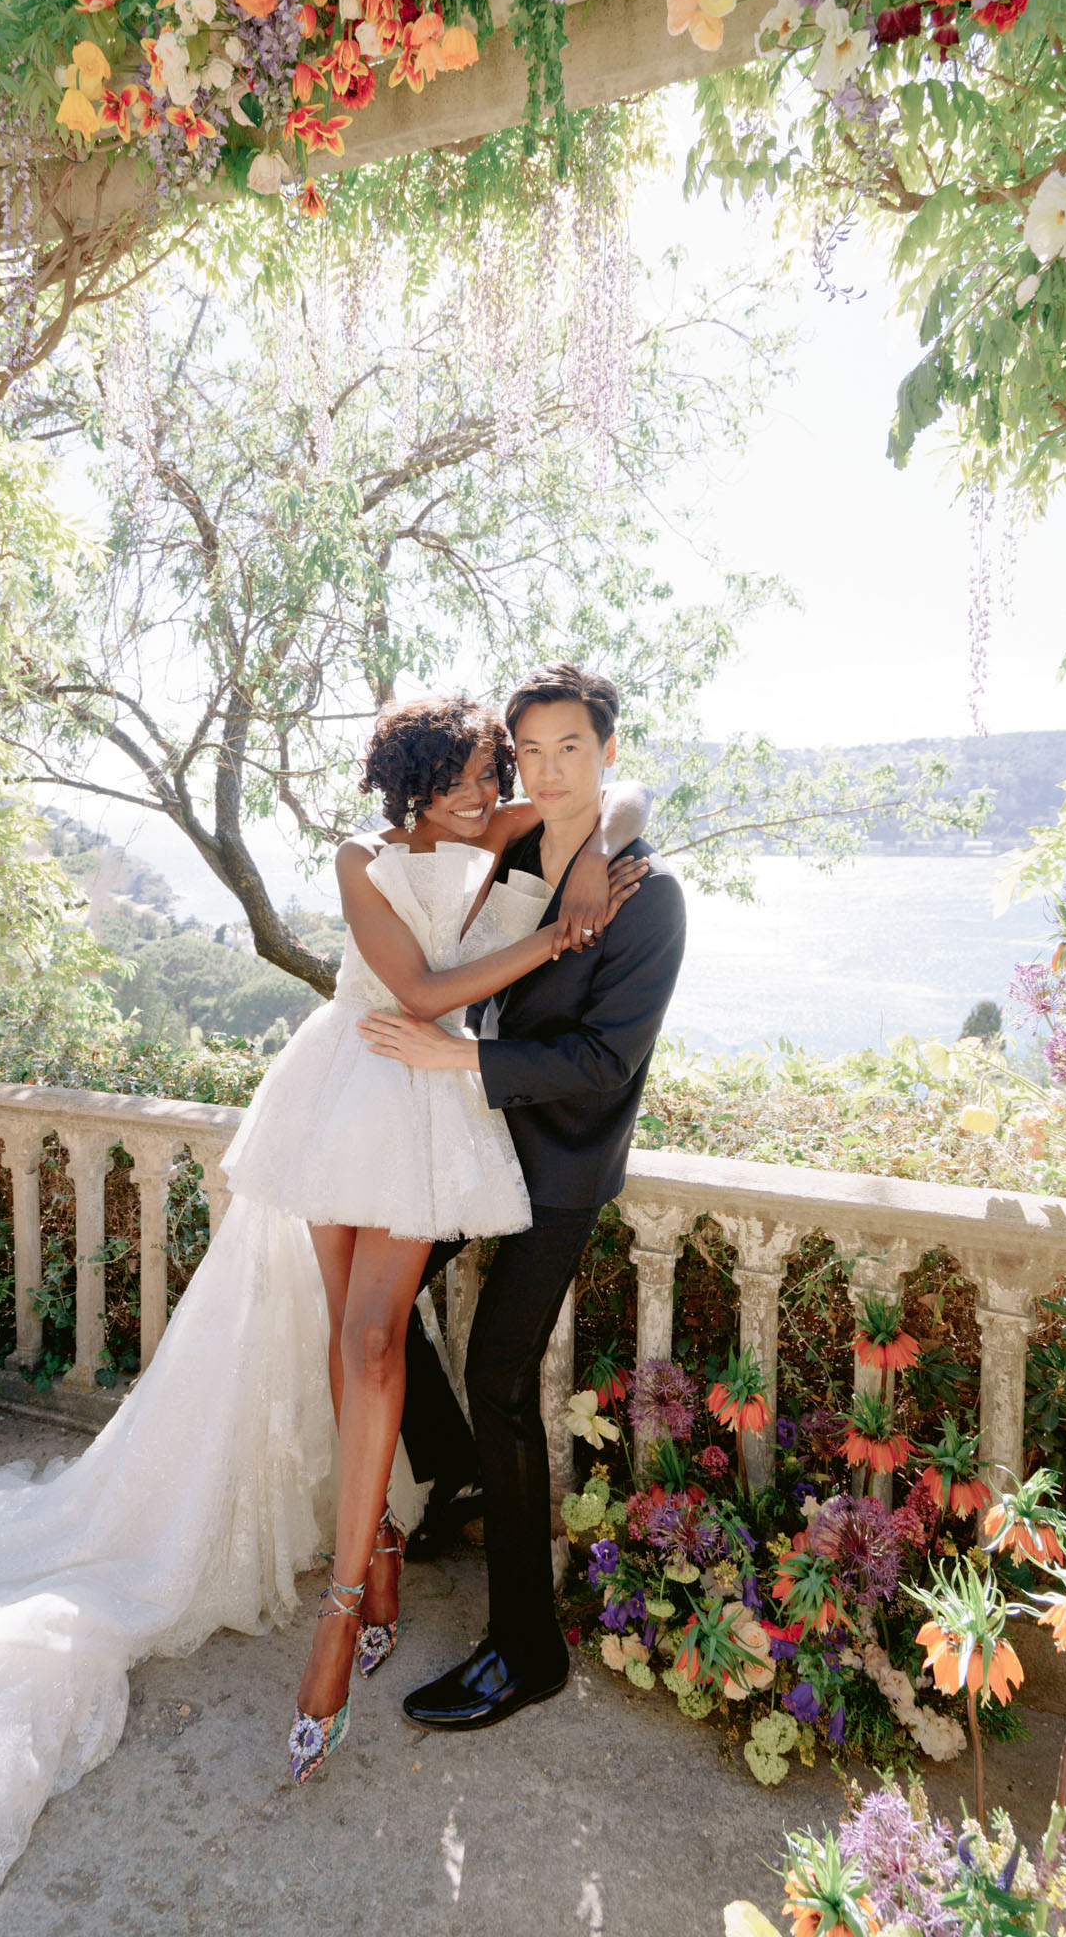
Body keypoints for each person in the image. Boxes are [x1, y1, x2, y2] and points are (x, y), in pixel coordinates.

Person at [0, 691, 652, 1934]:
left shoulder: (502, 830)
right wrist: (554, 942)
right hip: (355, 1084)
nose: (502, 785)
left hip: (429, 1112)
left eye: (508, 767)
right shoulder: (362, 858)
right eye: (486, 766)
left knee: (378, 1337)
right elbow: (423, 991)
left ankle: (346, 1601)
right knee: (349, 1338)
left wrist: (602, 843)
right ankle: (377, 1554)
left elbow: (601, 808)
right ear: (428, 780)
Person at [361, 662, 686, 1730]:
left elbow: (602, 1061)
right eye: (531, 751)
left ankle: (525, 1649)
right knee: (381, 1306)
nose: (549, 771)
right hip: (475, 1147)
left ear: (605, 750)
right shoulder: (518, 843)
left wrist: (452, 1061)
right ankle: (458, 1478)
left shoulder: (647, 893)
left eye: (573, 751)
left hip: (558, 1170)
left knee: (500, 1374)